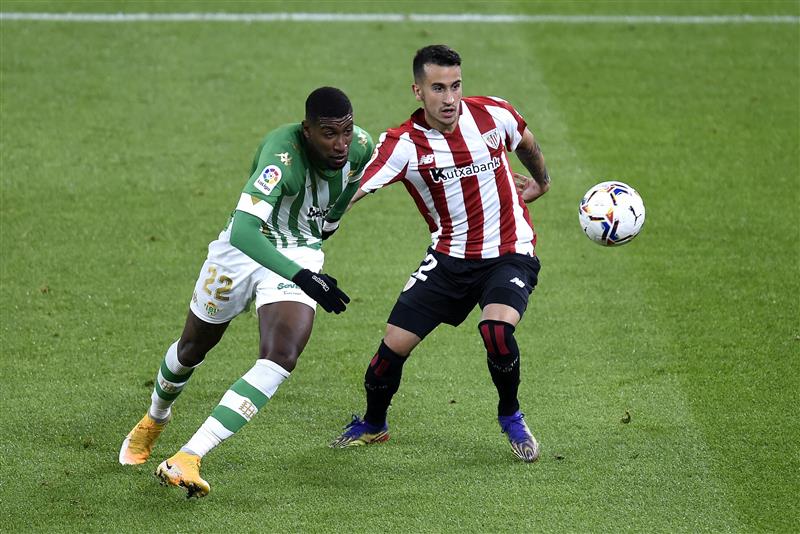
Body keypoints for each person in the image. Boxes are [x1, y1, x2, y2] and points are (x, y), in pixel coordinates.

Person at [119, 87, 374, 497]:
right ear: (307, 130)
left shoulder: (361, 145)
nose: (340, 143)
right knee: (192, 349)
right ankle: (155, 418)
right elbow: (243, 231)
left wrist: (324, 233)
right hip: (241, 252)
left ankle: (189, 456)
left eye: (345, 130)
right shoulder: (281, 156)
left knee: (282, 354)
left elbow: (348, 189)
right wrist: (304, 277)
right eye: (329, 133)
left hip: (298, 252)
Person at [329, 45, 550, 462]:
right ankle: (374, 425)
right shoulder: (404, 145)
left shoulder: (492, 114)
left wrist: (542, 182)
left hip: (510, 251)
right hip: (449, 258)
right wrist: (323, 224)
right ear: (418, 90)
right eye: (438, 88)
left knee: (497, 331)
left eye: (455, 86)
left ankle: (511, 415)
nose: (449, 98)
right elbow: (357, 188)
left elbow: (526, 142)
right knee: (389, 352)